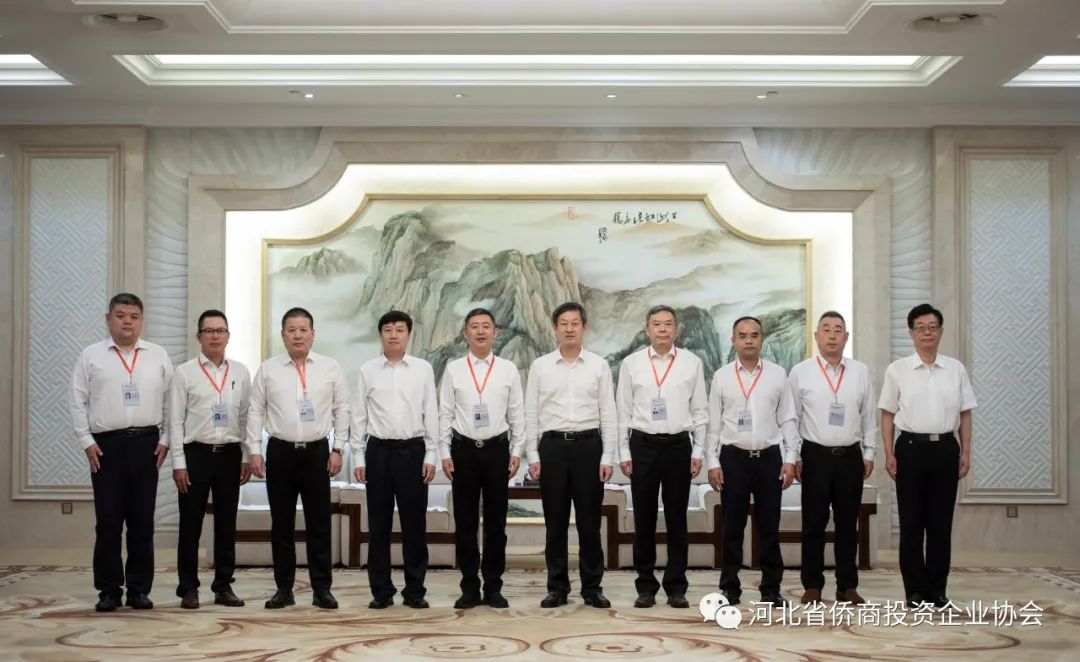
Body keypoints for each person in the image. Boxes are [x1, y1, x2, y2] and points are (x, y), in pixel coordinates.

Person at [70, 292, 173, 612]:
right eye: (120, 316)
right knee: (108, 521)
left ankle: (139, 589)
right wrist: (86, 441)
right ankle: (109, 590)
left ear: (141, 321)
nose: (127, 322)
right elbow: (77, 400)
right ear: (108, 319)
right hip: (106, 447)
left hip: (147, 444)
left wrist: (166, 439)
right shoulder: (91, 356)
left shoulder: (157, 355)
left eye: (134, 316)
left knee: (142, 521)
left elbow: (171, 402)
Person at [247, 307, 350, 610]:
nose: (297, 335)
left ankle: (322, 589)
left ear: (313, 334)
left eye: (303, 329)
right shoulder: (268, 369)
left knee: (319, 524)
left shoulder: (330, 367)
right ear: (283, 335)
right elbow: (255, 410)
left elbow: (342, 408)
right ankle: (284, 589)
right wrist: (254, 450)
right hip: (280, 452)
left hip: (317, 453)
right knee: (282, 524)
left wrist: (338, 448)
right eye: (291, 330)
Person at [879, 303, 976, 609]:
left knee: (940, 524)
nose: (927, 333)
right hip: (909, 449)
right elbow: (887, 414)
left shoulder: (956, 369)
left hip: (946, 449)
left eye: (933, 327)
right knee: (911, 522)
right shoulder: (897, 370)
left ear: (941, 332)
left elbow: (965, 413)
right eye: (921, 327)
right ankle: (914, 591)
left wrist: (966, 451)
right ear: (911, 333)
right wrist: (888, 452)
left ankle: (937, 590)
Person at [525, 302, 616, 609]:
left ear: (584, 327)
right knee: (555, 524)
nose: (569, 328)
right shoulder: (540, 366)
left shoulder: (598, 366)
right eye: (563, 323)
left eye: (575, 323)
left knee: (590, 524)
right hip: (552, 448)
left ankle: (592, 588)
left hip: (589, 447)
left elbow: (608, 412)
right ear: (555, 328)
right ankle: (557, 588)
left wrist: (607, 457)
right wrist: (532, 455)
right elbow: (531, 412)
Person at [616, 305, 706, 609]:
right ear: (647, 330)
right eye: (657, 324)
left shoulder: (692, 363)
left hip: (679, 446)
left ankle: (676, 586)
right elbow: (623, 411)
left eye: (668, 324)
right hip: (642, 445)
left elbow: (700, 411)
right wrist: (623, 452)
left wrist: (698, 451)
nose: (663, 329)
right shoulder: (631, 364)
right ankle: (645, 586)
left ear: (676, 330)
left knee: (677, 519)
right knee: (644, 518)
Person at [706, 315, 798, 608]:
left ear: (762, 339)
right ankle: (729, 588)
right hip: (733, 459)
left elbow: (788, 419)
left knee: (769, 527)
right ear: (733, 341)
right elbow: (713, 424)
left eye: (754, 335)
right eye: (743, 335)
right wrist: (712, 461)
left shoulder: (777, 375)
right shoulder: (721, 376)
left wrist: (790, 458)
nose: (749, 340)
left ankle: (771, 589)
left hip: (769, 459)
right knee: (732, 528)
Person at [787, 311, 876, 605]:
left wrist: (869, 452)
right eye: (826, 329)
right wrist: (794, 455)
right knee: (813, 524)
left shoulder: (860, 371)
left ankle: (847, 586)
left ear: (846, 337)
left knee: (848, 524)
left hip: (850, 456)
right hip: (815, 456)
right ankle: (812, 585)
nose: (832, 335)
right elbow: (792, 417)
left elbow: (869, 414)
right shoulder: (801, 372)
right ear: (816, 336)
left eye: (838, 329)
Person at [351, 311, 438, 610]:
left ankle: (415, 591)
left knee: (415, 525)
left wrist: (431, 454)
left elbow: (431, 412)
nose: (393, 335)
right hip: (378, 452)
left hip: (413, 452)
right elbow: (359, 416)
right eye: (387, 329)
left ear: (408, 335)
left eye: (400, 329)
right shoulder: (367, 370)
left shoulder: (423, 369)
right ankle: (381, 591)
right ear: (381, 335)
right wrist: (358, 457)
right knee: (379, 526)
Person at [439, 308, 525, 609]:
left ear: (495, 332)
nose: (480, 331)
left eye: (485, 326)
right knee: (465, 523)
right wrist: (444, 453)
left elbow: (517, 414)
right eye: (474, 326)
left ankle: (493, 586)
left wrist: (517, 452)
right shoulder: (453, 369)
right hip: (463, 451)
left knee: (495, 525)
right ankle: (469, 587)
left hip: (497, 451)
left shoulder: (508, 369)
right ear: (466, 333)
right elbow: (445, 413)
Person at [169, 309, 250, 609]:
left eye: (221, 331)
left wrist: (245, 455)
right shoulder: (184, 373)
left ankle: (223, 586)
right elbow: (175, 421)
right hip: (196, 455)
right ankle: (188, 588)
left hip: (229, 454)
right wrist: (179, 463)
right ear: (199, 336)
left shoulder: (240, 372)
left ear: (228, 336)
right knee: (190, 524)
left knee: (227, 524)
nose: (215, 336)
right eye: (209, 331)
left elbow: (245, 417)